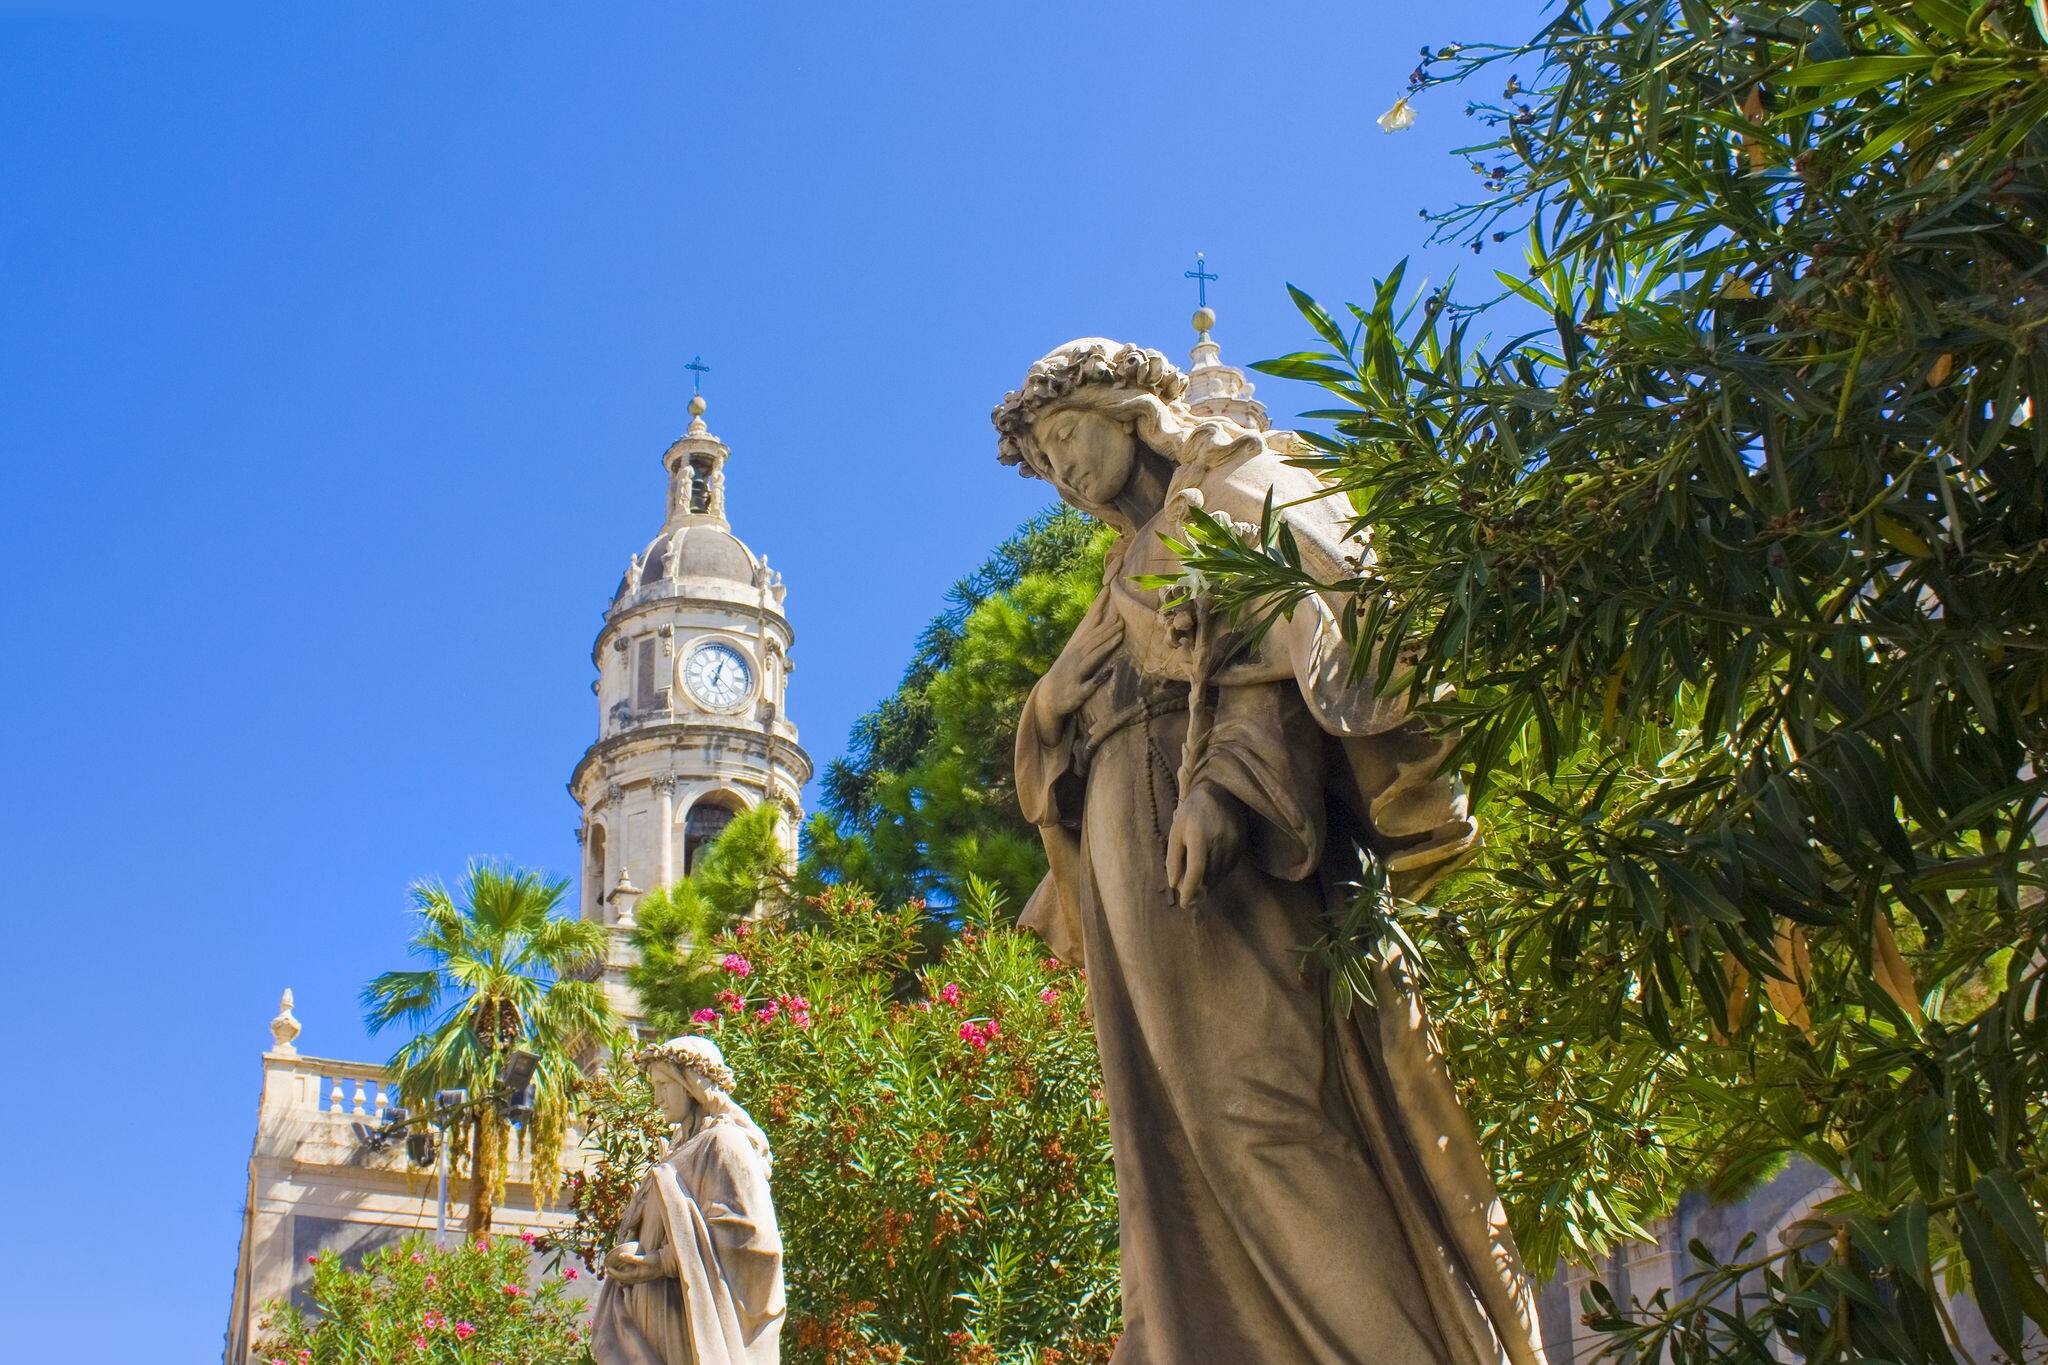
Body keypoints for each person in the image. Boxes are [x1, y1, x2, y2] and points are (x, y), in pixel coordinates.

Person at [991, 340, 1547, 1365]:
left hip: (1218, 842)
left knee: (1263, 1108)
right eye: (1042, 461)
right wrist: (1057, 711)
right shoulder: (1121, 570)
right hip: (1129, 848)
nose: (1061, 471)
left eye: (1065, 436)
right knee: (1172, 1136)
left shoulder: (1243, 490)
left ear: (1125, 412)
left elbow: (1311, 646)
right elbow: (1066, 728)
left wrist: (1226, 786)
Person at [591, 1035, 784, 1365]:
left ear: (691, 1084)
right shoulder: (681, 1147)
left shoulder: (723, 1143)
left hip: (687, 1325)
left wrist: (662, 1261)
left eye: (664, 1085)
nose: (658, 1098)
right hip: (655, 1321)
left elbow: (753, 1241)